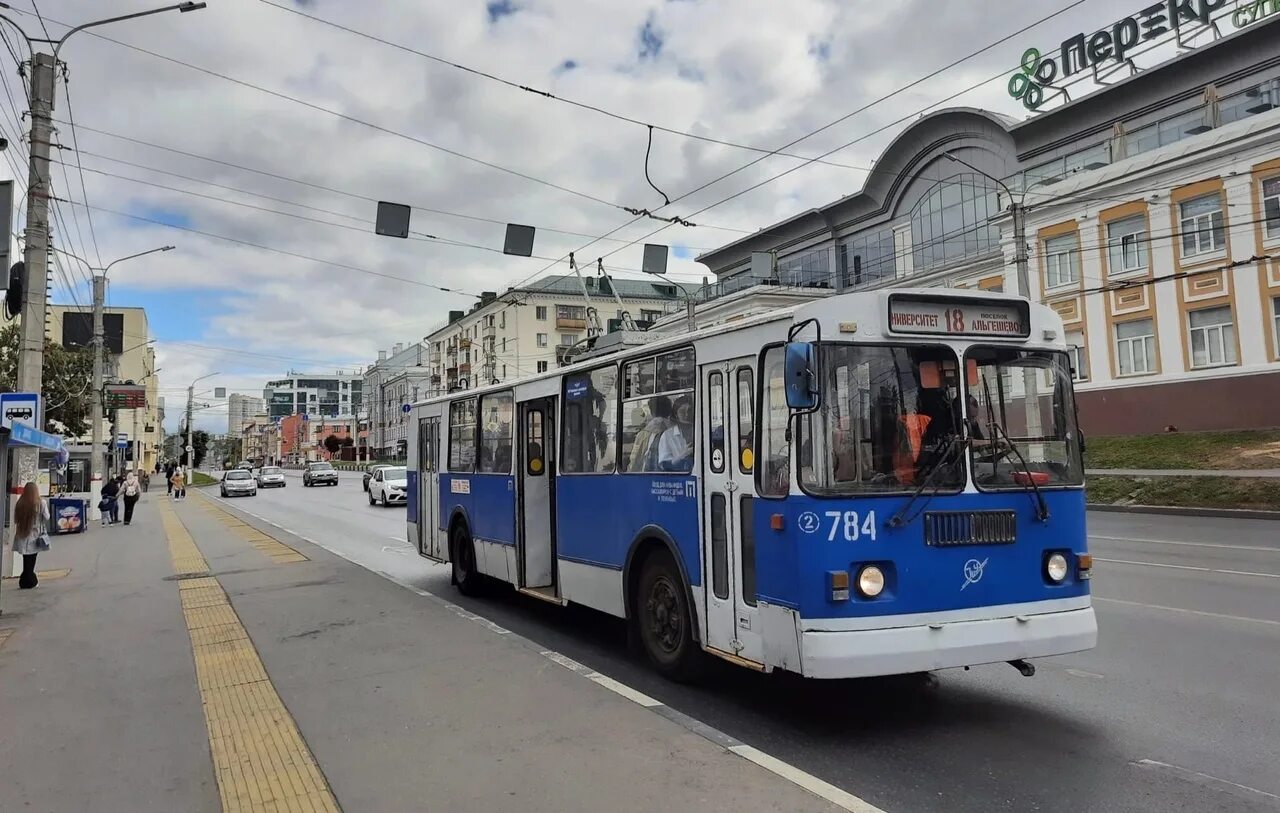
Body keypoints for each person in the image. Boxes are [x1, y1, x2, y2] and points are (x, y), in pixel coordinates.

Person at [11, 482, 49, 589]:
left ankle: (26, 581)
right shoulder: (41, 503)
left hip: (22, 534)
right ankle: (30, 581)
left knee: (26, 559)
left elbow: (15, 520)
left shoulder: (20, 503)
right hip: (35, 535)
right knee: (31, 559)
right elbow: (47, 517)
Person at [658, 396, 695, 472]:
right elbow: (664, 465)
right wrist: (683, 455)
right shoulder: (667, 435)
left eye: (690, 410)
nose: (687, 414)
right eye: (682, 411)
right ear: (676, 414)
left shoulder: (701, 431)